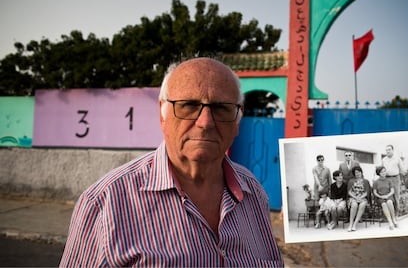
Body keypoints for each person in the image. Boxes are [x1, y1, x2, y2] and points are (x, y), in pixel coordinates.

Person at [59, 58, 283, 267]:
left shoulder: (254, 193)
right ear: (162, 114)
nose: (205, 122)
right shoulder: (104, 203)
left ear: (237, 119)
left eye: (221, 108)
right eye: (188, 105)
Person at [382, 144, 406, 216]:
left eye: (389, 149)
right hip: (386, 179)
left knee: (396, 196)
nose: (387, 151)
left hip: (395, 178)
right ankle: (388, 215)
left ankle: (396, 215)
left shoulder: (397, 159)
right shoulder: (384, 159)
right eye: (386, 150)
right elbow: (380, 169)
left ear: (393, 150)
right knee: (387, 196)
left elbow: (403, 170)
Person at [373, 166, 398, 230]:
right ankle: (390, 221)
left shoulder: (389, 180)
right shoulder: (376, 182)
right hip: (380, 197)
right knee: (384, 204)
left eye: (384, 171)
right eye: (382, 172)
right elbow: (375, 192)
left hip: (389, 196)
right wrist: (381, 196)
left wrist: (387, 195)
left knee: (389, 202)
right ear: (378, 173)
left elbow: (392, 191)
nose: (384, 173)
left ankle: (393, 219)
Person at [347, 166, 371, 232]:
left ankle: (355, 224)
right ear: (354, 174)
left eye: (359, 172)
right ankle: (351, 224)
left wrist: (360, 197)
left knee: (362, 205)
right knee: (354, 205)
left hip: (362, 198)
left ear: (361, 172)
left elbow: (367, 192)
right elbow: (349, 191)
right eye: (356, 173)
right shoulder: (351, 181)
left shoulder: (366, 181)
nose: (357, 174)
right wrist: (355, 197)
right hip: (353, 197)